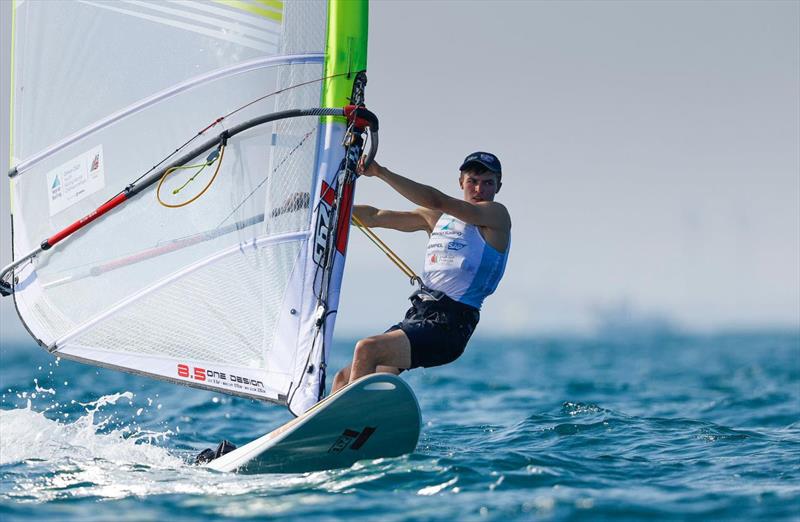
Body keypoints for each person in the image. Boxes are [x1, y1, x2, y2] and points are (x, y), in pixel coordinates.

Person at [331, 152, 511, 393]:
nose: (479, 189)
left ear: (498, 186)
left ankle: (349, 418)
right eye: (472, 181)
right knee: (344, 378)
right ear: (461, 183)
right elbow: (374, 216)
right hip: (419, 315)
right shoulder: (436, 219)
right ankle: (332, 426)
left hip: (451, 325)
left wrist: (381, 172)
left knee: (367, 349)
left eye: (488, 183)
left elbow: (436, 200)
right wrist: (325, 204)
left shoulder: (496, 216)